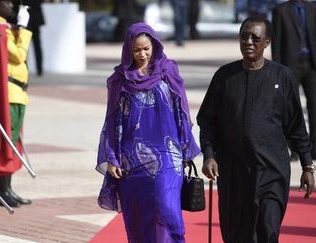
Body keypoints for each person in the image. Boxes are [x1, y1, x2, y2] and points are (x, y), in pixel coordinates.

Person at [197, 16, 315, 243]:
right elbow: (208, 121)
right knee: (236, 235)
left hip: (271, 171)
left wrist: (307, 166)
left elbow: (296, 127)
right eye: (244, 36)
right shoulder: (224, 76)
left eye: (255, 37)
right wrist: (209, 156)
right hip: (233, 173)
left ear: (267, 42)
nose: (248, 42)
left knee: (267, 232)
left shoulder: (282, 77)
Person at [96, 23, 200, 242]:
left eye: (146, 48)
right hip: (132, 160)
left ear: (155, 46)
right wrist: (112, 158)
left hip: (167, 156)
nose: (142, 54)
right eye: (136, 50)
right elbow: (113, 121)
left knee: (168, 211)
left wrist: (185, 146)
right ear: (128, 50)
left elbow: (181, 110)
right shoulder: (119, 80)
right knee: (138, 219)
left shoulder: (167, 70)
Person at [0, 0, 33, 207]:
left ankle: (7, 188)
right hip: (9, 93)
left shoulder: (4, 27)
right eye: (6, 2)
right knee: (8, 141)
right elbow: (18, 54)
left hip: (17, 93)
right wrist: (22, 28)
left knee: (13, 140)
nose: (11, 6)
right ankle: (1, 190)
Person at [272, 0, 316, 161]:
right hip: (290, 66)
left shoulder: (312, 8)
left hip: (311, 64)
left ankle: (314, 147)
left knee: (314, 105)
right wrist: (276, 68)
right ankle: (295, 149)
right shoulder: (281, 11)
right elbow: (276, 43)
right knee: (291, 108)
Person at [22, 0, 44, 75]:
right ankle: (39, 68)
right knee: (34, 45)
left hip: (28, 18)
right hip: (33, 17)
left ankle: (36, 68)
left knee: (26, 45)